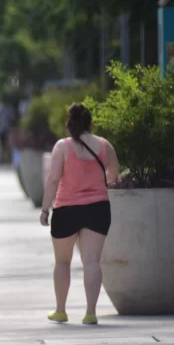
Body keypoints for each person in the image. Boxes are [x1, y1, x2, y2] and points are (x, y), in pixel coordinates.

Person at [41, 103, 120, 325]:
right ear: (90, 122)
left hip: (66, 209)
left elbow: (54, 179)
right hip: (98, 208)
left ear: (69, 122)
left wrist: (45, 208)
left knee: (62, 262)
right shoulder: (105, 145)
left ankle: (60, 310)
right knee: (92, 261)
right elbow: (114, 174)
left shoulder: (62, 146)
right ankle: (90, 312)